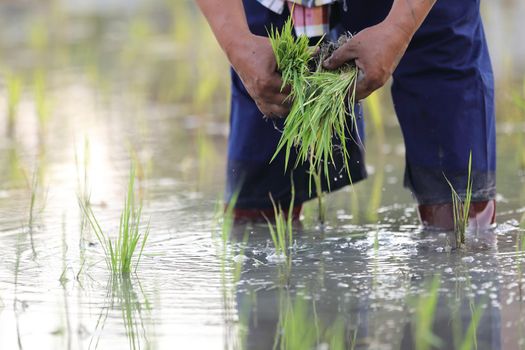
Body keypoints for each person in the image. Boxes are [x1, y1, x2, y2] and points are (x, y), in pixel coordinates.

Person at [195, 0, 496, 230]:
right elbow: (243, 47)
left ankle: (458, 275)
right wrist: (236, 42)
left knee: (461, 209)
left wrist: (400, 28)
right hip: (276, 9)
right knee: (255, 215)